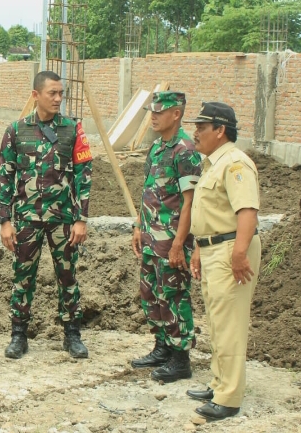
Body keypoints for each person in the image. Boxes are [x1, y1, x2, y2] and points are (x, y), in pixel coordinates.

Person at [0, 70, 93, 360]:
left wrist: (81, 219)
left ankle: (72, 334)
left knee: (68, 277)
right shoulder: (16, 130)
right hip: (27, 220)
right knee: (22, 278)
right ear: (35, 95)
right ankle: (18, 335)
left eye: (61, 93)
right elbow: (6, 178)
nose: (58, 98)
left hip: (63, 220)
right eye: (52, 93)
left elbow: (84, 175)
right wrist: (5, 221)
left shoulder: (73, 130)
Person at [184, 102, 261, 421]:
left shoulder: (234, 163)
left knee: (230, 324)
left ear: (220, 130)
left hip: (231, 249)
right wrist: (199, 248)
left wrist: (239, 254)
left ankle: (229, 398)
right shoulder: (212, 164)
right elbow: (212, 213)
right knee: (217, 320)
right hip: (214, 248)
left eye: (201, 128)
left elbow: (247, 211)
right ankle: (219, 383)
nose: (195, 133)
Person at [130, 92, 202, 382]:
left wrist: (178, 244)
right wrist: (138, 226)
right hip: (151, 237)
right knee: (151, 294)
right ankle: (162, 347)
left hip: (171, 240)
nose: (154, 117)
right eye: (152, 112)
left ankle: (180, 358)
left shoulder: (185, 151)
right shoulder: (158, 147)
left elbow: (190, 202)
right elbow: (148, 189)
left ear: (176, 114)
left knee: (173, 296)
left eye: (160, 112)